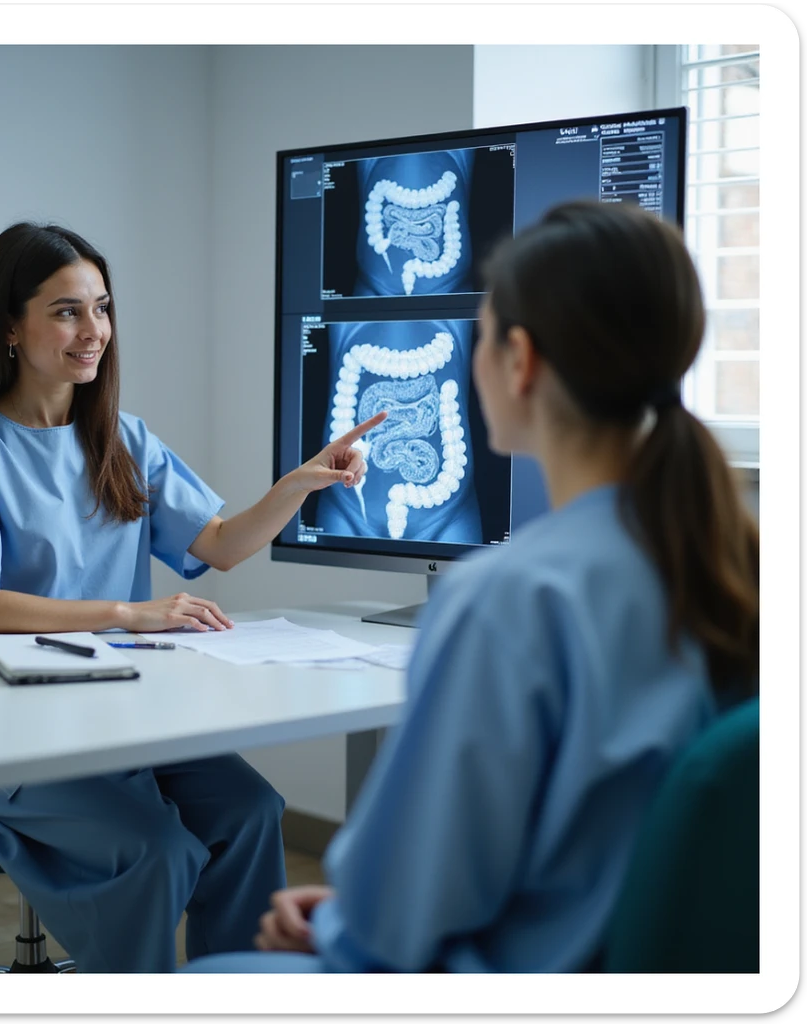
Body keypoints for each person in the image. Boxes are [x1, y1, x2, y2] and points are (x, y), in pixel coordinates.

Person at [182, 199, 760, 974]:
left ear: (519, 361)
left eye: (480, 334)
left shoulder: (509, 598)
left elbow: (401, 919)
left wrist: (355, 917)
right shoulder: (734, 564)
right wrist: (365, 909)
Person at [0, 221, 387, 973]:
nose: (93, 330)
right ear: (8, 327)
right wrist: (129, 613)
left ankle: (237, 981)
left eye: (102, 307)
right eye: (66, 311)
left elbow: (219, 544)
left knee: (252, 812)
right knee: (153, 851)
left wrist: (300, 483)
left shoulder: (123, 440)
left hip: (112, 713)